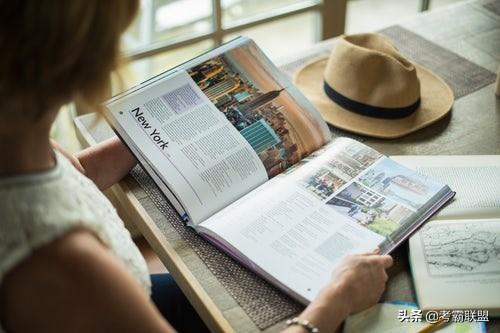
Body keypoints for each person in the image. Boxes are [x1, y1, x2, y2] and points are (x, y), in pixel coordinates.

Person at [0, 1, 393, 332]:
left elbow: (71, 180)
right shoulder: (60, 260)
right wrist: (335, 302)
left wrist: (159, 138)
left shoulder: (17, 135)